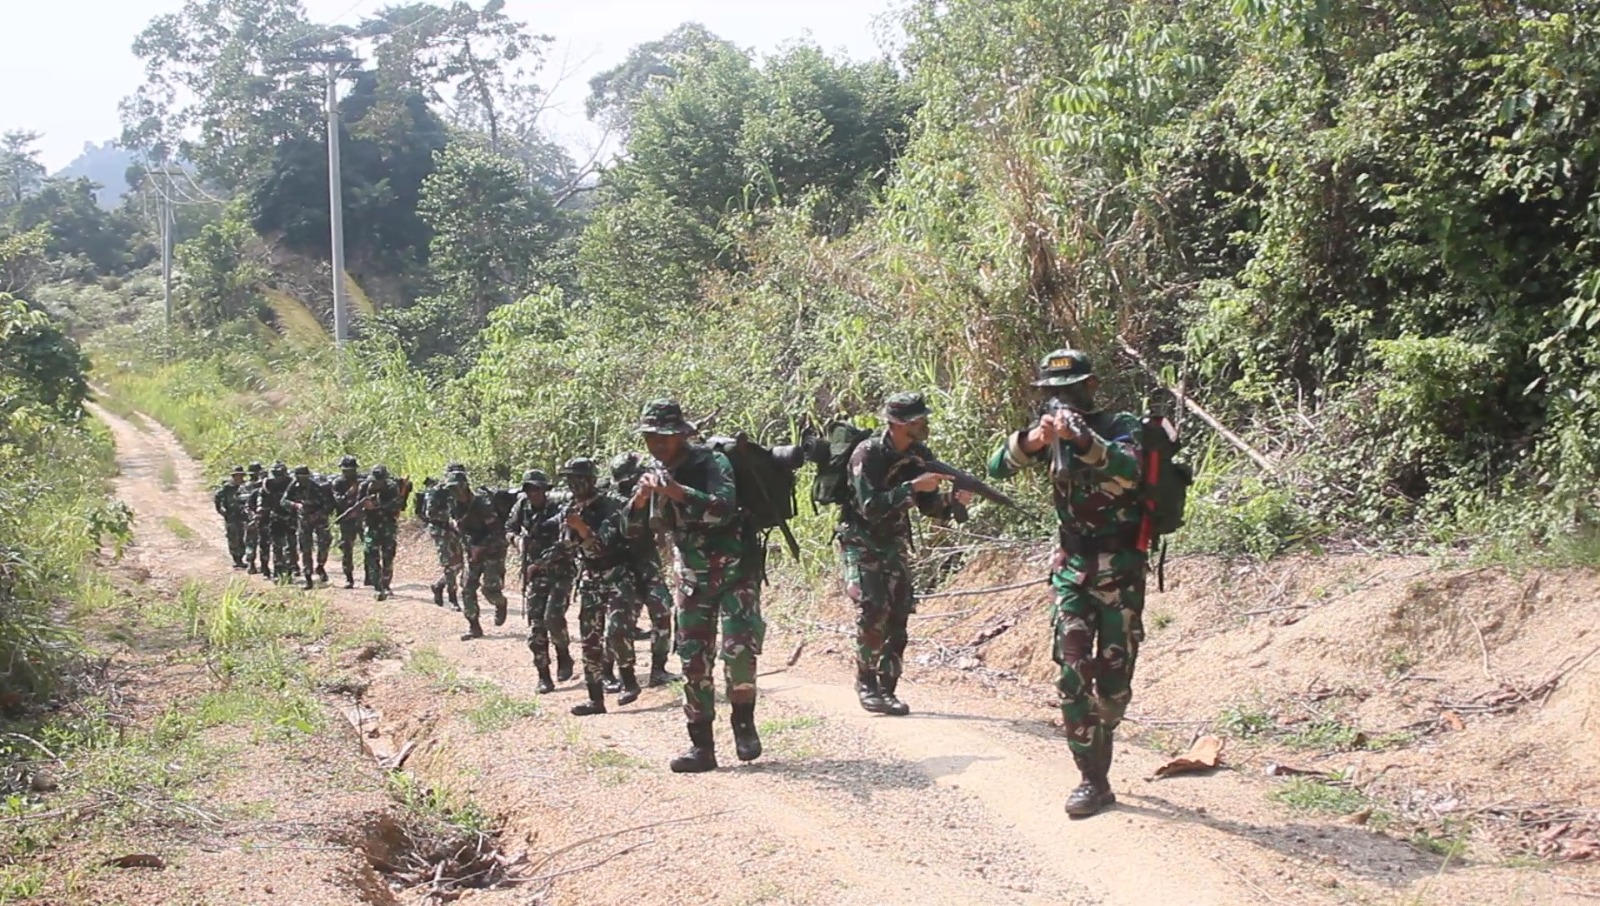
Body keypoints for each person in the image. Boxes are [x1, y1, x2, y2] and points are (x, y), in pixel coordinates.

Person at [987, 347, 1145, 818]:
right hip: (1072, 568)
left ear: (1092, 387)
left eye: (1070, 390)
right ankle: (1092, 780)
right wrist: (1034, 441)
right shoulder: (1049, 433)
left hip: (1120, 569)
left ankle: (1106, 724)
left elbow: (1130, 469)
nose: (1061, 400)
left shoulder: (1120, 426)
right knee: (1071, 674)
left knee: (1113, 690)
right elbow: (998, 466)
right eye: (1051, 393)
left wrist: (1084, 440)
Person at [625, 399, 762, 772]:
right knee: (693, 659)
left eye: (664, 438)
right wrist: (640, 500)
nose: (657, 445)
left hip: (736, 571)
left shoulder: (710, 462)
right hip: (692, 579)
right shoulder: (653, 470)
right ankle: (701, 746)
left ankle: (743, 725)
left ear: (683, 435)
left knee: (739, 653)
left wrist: (678, 492)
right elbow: (630, 532)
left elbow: (724, 508)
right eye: (651, 437)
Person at [838, 392, 969, 716]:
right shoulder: (867, 454)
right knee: (873, 608)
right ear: (897, 424)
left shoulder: (919, 455)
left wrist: (954, 503)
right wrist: (911, 488)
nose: (923, 425)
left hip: (894, 542)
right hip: (861, 540)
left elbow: (929, 508)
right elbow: (869, 507)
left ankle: (888, 688)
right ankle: (866, 684)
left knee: (898, 614)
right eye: (917, 421)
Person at [558, 458, 640, 715]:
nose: (574, 484)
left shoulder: (612, 506)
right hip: (590, 577)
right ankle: (595, 699)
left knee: (617, 631)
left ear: (592, 480)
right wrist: (571, 531)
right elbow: (567, 545)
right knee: (589, 638)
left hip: (617, 573)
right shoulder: (571, 508)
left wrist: (582, 529)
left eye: (579, 478)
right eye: (570, 479)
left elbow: (605, 543)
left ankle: (629, 680)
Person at [609, 452, 677, 687]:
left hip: (647, 564)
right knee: (620, 623)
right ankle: (616, 673)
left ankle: (658, 669)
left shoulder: (649, 494)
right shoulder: (611, 500)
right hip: (623, 569)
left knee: (662, 613)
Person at [507, 469, 575, 693]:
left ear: (546, 490)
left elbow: (565, 542)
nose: (533, 493)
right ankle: (543, 675)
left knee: (553, 617)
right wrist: (517, 541)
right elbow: (509, 529)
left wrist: (540, 563)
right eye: (529, 489)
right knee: (536, 627)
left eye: (538, 489)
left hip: (560, 571)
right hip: (535, 575)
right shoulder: (521, 507)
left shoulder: (559, 508)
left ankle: (563, 654)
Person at [448, 470, 508, 640]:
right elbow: (458, 528)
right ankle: (474, 626)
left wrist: (480, 548)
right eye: (451, 489)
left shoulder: (483, 504)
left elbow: (497, 532)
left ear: (464, 487)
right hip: (472, 552)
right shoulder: (455, 505)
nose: (454, 493)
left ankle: (501, 603)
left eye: (456, 488)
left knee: (490, 590)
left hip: (493, 551)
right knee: (467, 588)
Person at [283, 465, 335, 589]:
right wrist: (296, 505)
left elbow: (329, 504)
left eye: (305, 477)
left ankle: (320, 566)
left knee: (324, 543)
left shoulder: (318, 487)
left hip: (319, 519)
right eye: (300, 477)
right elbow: (284, 501)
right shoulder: (293, 486)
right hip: (304, 520)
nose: (302, 480)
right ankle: (308, 577)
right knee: (305, 548)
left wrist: (318, 515)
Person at [359, 464, 405, 600]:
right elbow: (357, 504)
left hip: (387, 526)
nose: (376, 483)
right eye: (375, 480)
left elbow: (396, 504)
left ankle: (386, 584)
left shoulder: (391, 488)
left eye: (379, 481)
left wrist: (377, 507)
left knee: (388, 556)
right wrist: (364, 506)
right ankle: (378, 587)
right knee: (371, 554)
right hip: (371, 525)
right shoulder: (365, 487)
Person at [419, 476, 463, 609]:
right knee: (449, 564)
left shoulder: (460, 492)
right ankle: (452, 598)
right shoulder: (437, 492)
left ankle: (438, 585)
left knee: (459, 564)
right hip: (440, 530)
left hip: (454, 531)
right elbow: (429, 513)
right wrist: (448, 518)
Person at [331, 455, 367, 588]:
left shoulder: (363, 480)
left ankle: (369, 575)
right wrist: (351, 492)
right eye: (345, 470)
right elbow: (339, 500)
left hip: (363, 518)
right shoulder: (338, 483)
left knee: (368, 548)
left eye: (351, 470)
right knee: (347, 549)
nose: (348, 473)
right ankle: (349, 577)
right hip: (347, 520)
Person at [261, 461, 297, 581]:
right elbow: (264, 504)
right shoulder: (267, 485)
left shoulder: (292, 484)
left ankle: (289, 572)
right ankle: (278, 571)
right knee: (277, 546)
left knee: (291, 546)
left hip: (291, 518)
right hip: (275, 518)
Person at [213, 465, 249, 569]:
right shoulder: (227, 487)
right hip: (231, 516)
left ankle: (242, 557)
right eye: (237, 476)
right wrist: (220, 510)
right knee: (233, 537)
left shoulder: (245, 486)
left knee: (244, 537)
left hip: (243, 516)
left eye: (241, 475)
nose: (239, 478)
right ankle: (236, 559)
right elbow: (217, 497)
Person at [242, 461, 268, 574]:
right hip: (258, 518)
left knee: (252, 542)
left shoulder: (245, 486)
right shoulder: (262, 485)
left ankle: (253, 564)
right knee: (262, 543)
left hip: (252, 518)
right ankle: (261, 565)